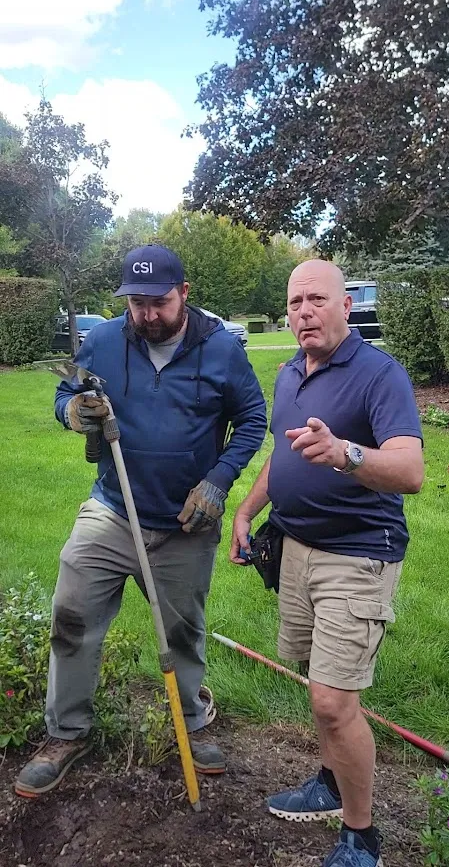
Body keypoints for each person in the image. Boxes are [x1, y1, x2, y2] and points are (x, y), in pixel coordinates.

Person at [15, 243, 267, 798]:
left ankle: (191, 721)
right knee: (72, 612)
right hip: (113, 508)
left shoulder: (221, 349)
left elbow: (253, 418)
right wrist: (71, 411)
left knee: (182, 630)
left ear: (184, 293)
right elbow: (67, 391)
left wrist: (219, 480)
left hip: (185, 522)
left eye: (159, 302)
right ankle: (67, 732)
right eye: (137, 303)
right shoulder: (104, 341)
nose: (148, 315)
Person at [231, 260, 423, 867]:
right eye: (295, 302)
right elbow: (283, 453)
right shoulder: (291, 372)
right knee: (318, 679)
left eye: (317, 299)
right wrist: (246, 510)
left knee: (333, 703)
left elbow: (410, 470)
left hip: (357, 555)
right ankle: (331, 782)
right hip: (296, 548)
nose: (304, 311)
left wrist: (345, 453)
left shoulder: (379, 375)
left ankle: (362, 837)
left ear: (347, 305)